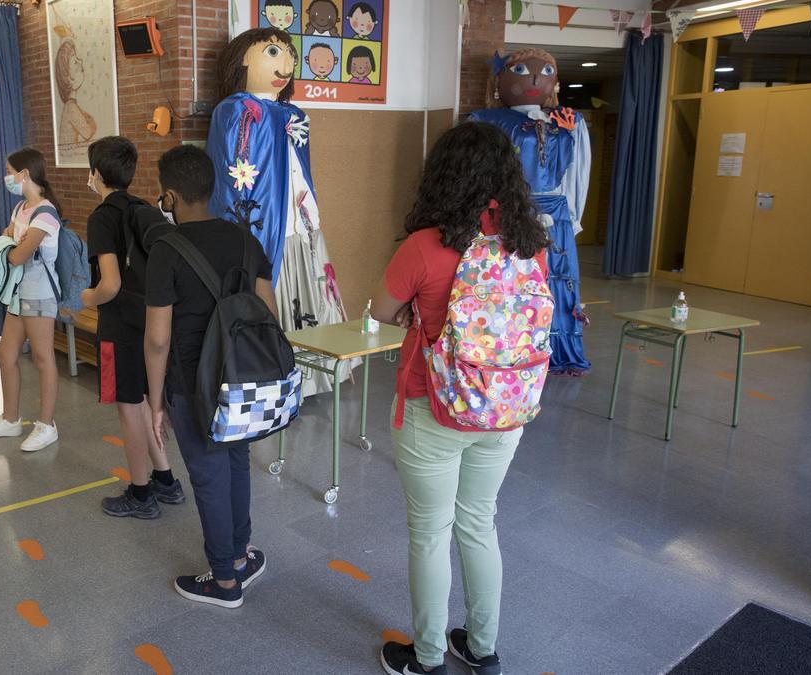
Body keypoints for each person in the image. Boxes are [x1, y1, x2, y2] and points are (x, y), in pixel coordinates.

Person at [369, 122, 552, 675]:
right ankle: (481, 646)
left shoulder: (425, 246)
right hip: (506, 407)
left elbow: (379, 310)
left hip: (435, 406)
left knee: (430, 533)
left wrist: (413, 312)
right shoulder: (531, 244)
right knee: (479, 522)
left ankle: (426, 659)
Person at [145, 145, 274, 608]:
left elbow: (157, 339)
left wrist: (157, 400)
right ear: (213, 188)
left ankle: (223, 581)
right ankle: (240, 556)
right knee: (236, 463)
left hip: (190, 386)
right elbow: (268, 314)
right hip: (241, 380)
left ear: (171, 195)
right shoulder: (245, 240)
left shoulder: (165, 250)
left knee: (208, 477)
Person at [208, 27, 351, 399]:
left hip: (299, 220)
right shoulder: (235, 109)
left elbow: (297, 162)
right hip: (262, 223)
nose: (285, 63)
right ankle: (273, 372)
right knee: (272, 289)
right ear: (241, 61)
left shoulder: (289, 112)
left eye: (289, 54)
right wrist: (278, 119)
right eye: (273, 52)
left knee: (308, 290)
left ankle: (314, 375)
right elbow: (236, 172)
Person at [469, 48, 591, 375]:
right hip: (508, 211)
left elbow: (579, 172)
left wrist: (573, 215)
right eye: (522, 70)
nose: (535, 78)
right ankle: (508, 343)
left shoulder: (569, 121)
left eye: (545, 71)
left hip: (556, 214)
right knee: (510, 280)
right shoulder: (485, 120)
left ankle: (559, 348)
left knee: (557, 281)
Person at [80, 136, 184, 519]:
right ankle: (165, 479)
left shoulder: (102, 217)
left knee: (129, 407)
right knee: (145, 402)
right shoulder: (142, 208)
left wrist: (86, 297)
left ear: (95, 173)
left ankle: (141, 494)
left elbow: (110, 285)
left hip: (121, 326)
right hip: (152, 322)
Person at [0, 148, 60, 452]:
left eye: (10, 171)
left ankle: (46, 425)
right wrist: (13, 243)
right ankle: (10, 419)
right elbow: (10, 239)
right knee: (5, 354)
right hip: (18, 294)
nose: (7, 176)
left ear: (25, 174)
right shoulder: (20, 208)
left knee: (42, 358)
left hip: (39, 296)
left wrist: (12, 246)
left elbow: (16, 255)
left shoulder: (45, 213)